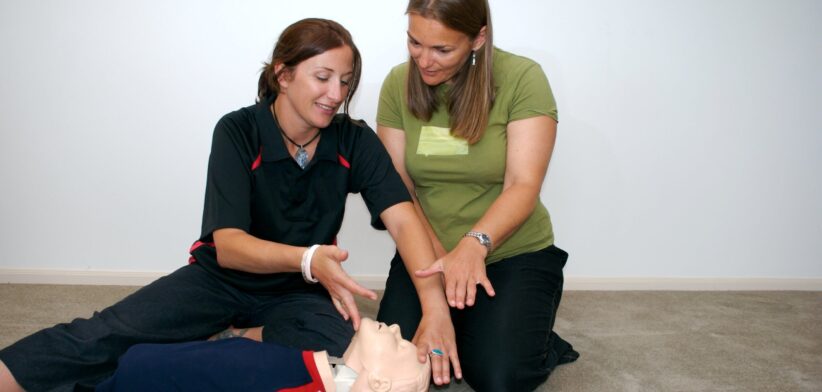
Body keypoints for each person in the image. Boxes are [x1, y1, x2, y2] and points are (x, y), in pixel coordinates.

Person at [0, 18, 440, 391]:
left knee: (346, 359)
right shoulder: (237, 130)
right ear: (283, 75)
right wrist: (308, 259)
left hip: (297, 293)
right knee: (105, 335)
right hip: (220, 278)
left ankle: (241, 337)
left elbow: (403, 219)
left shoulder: (353, 139)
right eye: (322, 77)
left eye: (345, 82)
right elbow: (228, 245)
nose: (335, 93)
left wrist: (434, 307)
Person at [374, 1, 579, 391]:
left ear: (478, 38)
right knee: (399, 366)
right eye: (415, 43)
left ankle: (534, 338)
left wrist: (474, 244)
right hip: (427, 254)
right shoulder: (397, 84)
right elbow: (399, 191)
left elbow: (523, 185)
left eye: (442, 49)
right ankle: (470, 320)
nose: (425, 60)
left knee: (498, 376)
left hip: (508, 253)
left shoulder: (522, 78)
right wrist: (437, 285)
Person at [95, 318, 430, 392]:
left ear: (380, 382)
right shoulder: (315, 366)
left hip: (135, 377)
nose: (399, 329)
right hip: (145, 363)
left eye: (400, 345)